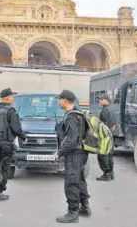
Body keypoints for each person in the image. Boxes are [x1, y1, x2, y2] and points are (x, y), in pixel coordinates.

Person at [54, 90, 91, 224]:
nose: (58, 101)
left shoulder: (71, 117)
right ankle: (85, 208)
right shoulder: (78, 114)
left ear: (65, 100)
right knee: (80, 180)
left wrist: (59, 153)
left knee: (71, 182)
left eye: (59, 99)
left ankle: (72, 212)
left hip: (74, 154)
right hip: (81, 153)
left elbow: (71, 140)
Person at [0, 88, 27, 201]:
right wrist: (23, 137)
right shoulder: (10, 111)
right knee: (4, 168)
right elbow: (16, 127)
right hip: (6, 143)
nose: (13, 99)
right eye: (12, 97)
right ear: (8, 97)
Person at [96, 94, 116, 181]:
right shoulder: (112, 109)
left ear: (106, 100)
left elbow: (102, 126)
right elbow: (114, 124)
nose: (100, 101)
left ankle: (106, 174)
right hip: (111, 135)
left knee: (102, 154)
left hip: (105, 136)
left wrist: (99, 136)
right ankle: (111, 173)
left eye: (101, 99)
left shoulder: (104, 110)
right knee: (109, 154)